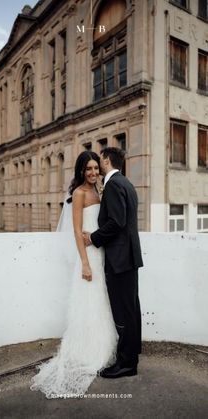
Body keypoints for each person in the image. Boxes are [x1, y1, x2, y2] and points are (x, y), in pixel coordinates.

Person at [30, 151, 118, 398]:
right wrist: (85, 264)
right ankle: (86, 351)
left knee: (102, 301)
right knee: (88, 303)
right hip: (88, 257)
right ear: (81, 171)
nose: (92, 173)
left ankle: (102, 345)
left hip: (100, 254)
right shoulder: (79, 194)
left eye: (95, 169)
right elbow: (77, 231)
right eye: (88, 169)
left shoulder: (98, 191)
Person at [83, 147, 143, 378]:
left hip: (119, 260)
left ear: (107, 160)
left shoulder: (114, 185)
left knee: (123, 311)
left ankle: (126, 363)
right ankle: (132, 355)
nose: (98, 165)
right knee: (131, 309)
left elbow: (116, 222)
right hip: (128, 258)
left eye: (100, 160)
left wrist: (93, 238)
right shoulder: (125, 182)